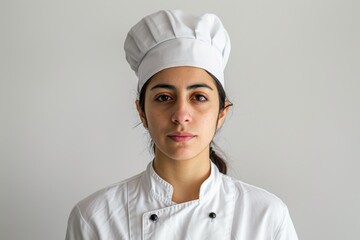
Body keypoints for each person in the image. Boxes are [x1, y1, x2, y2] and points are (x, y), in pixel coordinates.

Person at [65, 10, 298, 240]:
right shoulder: (95, 218)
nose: (181, 115)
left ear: (222, 112)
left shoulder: (266, 217)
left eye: (198, 97)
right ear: (142, 112)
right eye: (164, 97)